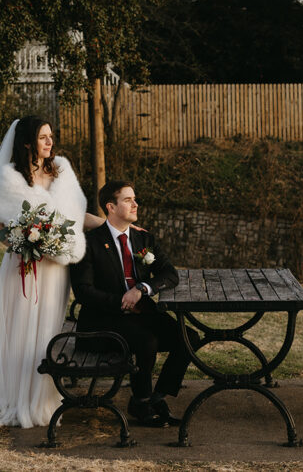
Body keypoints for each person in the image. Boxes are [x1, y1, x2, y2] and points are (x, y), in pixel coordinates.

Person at [0, 117, 104, 428]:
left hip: (55, 274)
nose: (50, 142)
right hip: (24, 269)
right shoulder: (9, 178)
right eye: (43, 137)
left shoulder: (61, 173)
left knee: (46, 333)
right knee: (16, 332)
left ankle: (41, 397)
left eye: (51, 136)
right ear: (28, 142)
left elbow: (75, 216)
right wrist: (25, 243)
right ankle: (11, 396)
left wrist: (110, 226)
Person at [70, 180, 195, 427]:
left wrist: (142, 289)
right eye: (128, 200)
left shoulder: (143, 239)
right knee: (146, 341)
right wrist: (121, 301)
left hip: (141, 312)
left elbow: (170, 274)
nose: (135, 204)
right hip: (102, 320)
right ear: (111, 207)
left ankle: (158, 396)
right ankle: (141, 401)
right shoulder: (89, 243)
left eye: (135, 199)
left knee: (189, 337)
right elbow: (83, 292)